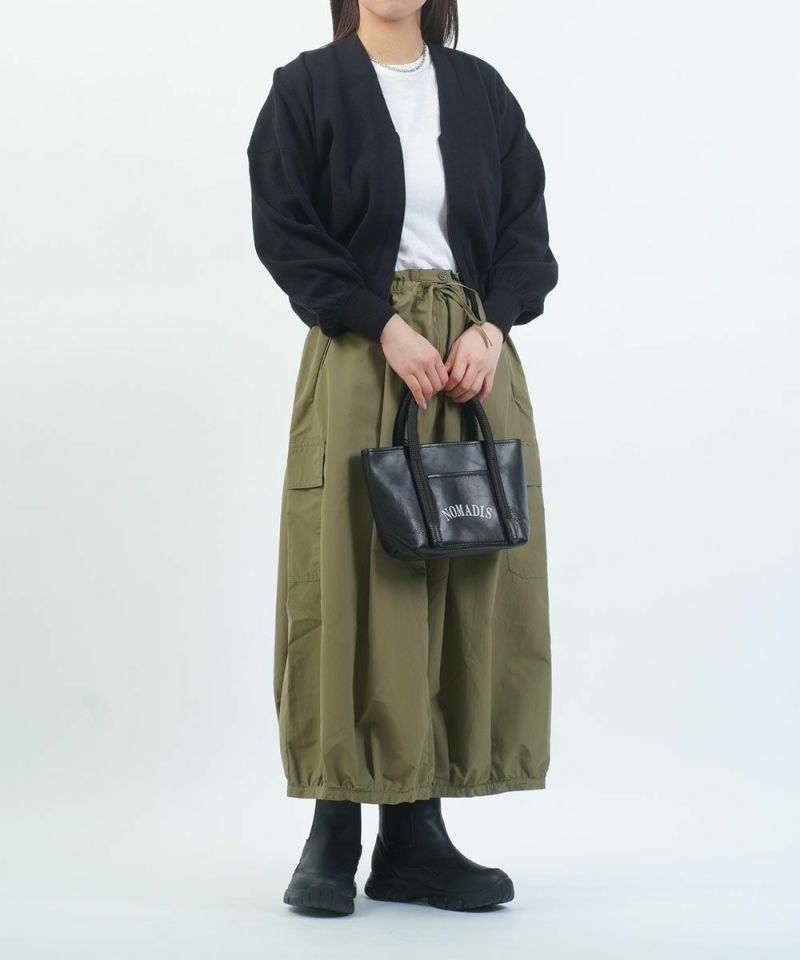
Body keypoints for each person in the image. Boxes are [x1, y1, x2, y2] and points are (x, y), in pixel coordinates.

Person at [246, 0, 558, 915]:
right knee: (351, 579)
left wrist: (493, 326)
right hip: (361, 357)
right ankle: (334, 826)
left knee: (458, 577)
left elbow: (527, 231)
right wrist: (381, 324)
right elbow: (287, 231)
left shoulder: (480, 91)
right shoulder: (306, 88)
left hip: (468, 365)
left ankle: (416, 836)